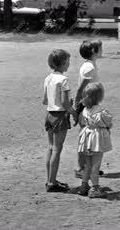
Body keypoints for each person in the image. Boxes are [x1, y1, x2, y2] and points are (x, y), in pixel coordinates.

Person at [43, 49, 75, 192]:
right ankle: (52, 183)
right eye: (68, 61)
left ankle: (50, 179)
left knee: (51, 148)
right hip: (60, 117)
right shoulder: (64, 80)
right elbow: (65, 103)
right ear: (62, 63)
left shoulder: (48, 78)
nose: (69, 63)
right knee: (57, 149)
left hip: (49, 115)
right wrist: (73, 112)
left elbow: (45, 100)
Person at [77, 83, 112, 198]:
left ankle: (84, 186)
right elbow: (108, 123)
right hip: (96, 140)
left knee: (88, 164)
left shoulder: (84, 111)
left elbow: (82, 122)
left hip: (86, 138)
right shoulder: (101, 111)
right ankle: (95, 188)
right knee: (95, 166)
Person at [74, 40, 103, 179]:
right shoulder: (89, 67)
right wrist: (76, 104)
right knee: (85, 137)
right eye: (100, 48)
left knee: (88, 137)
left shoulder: (90, 65)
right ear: (93, 51)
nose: (101, 50)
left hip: (89, 103)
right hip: (86, 105)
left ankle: (87, 166)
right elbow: (80, 88)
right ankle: (81, 167)